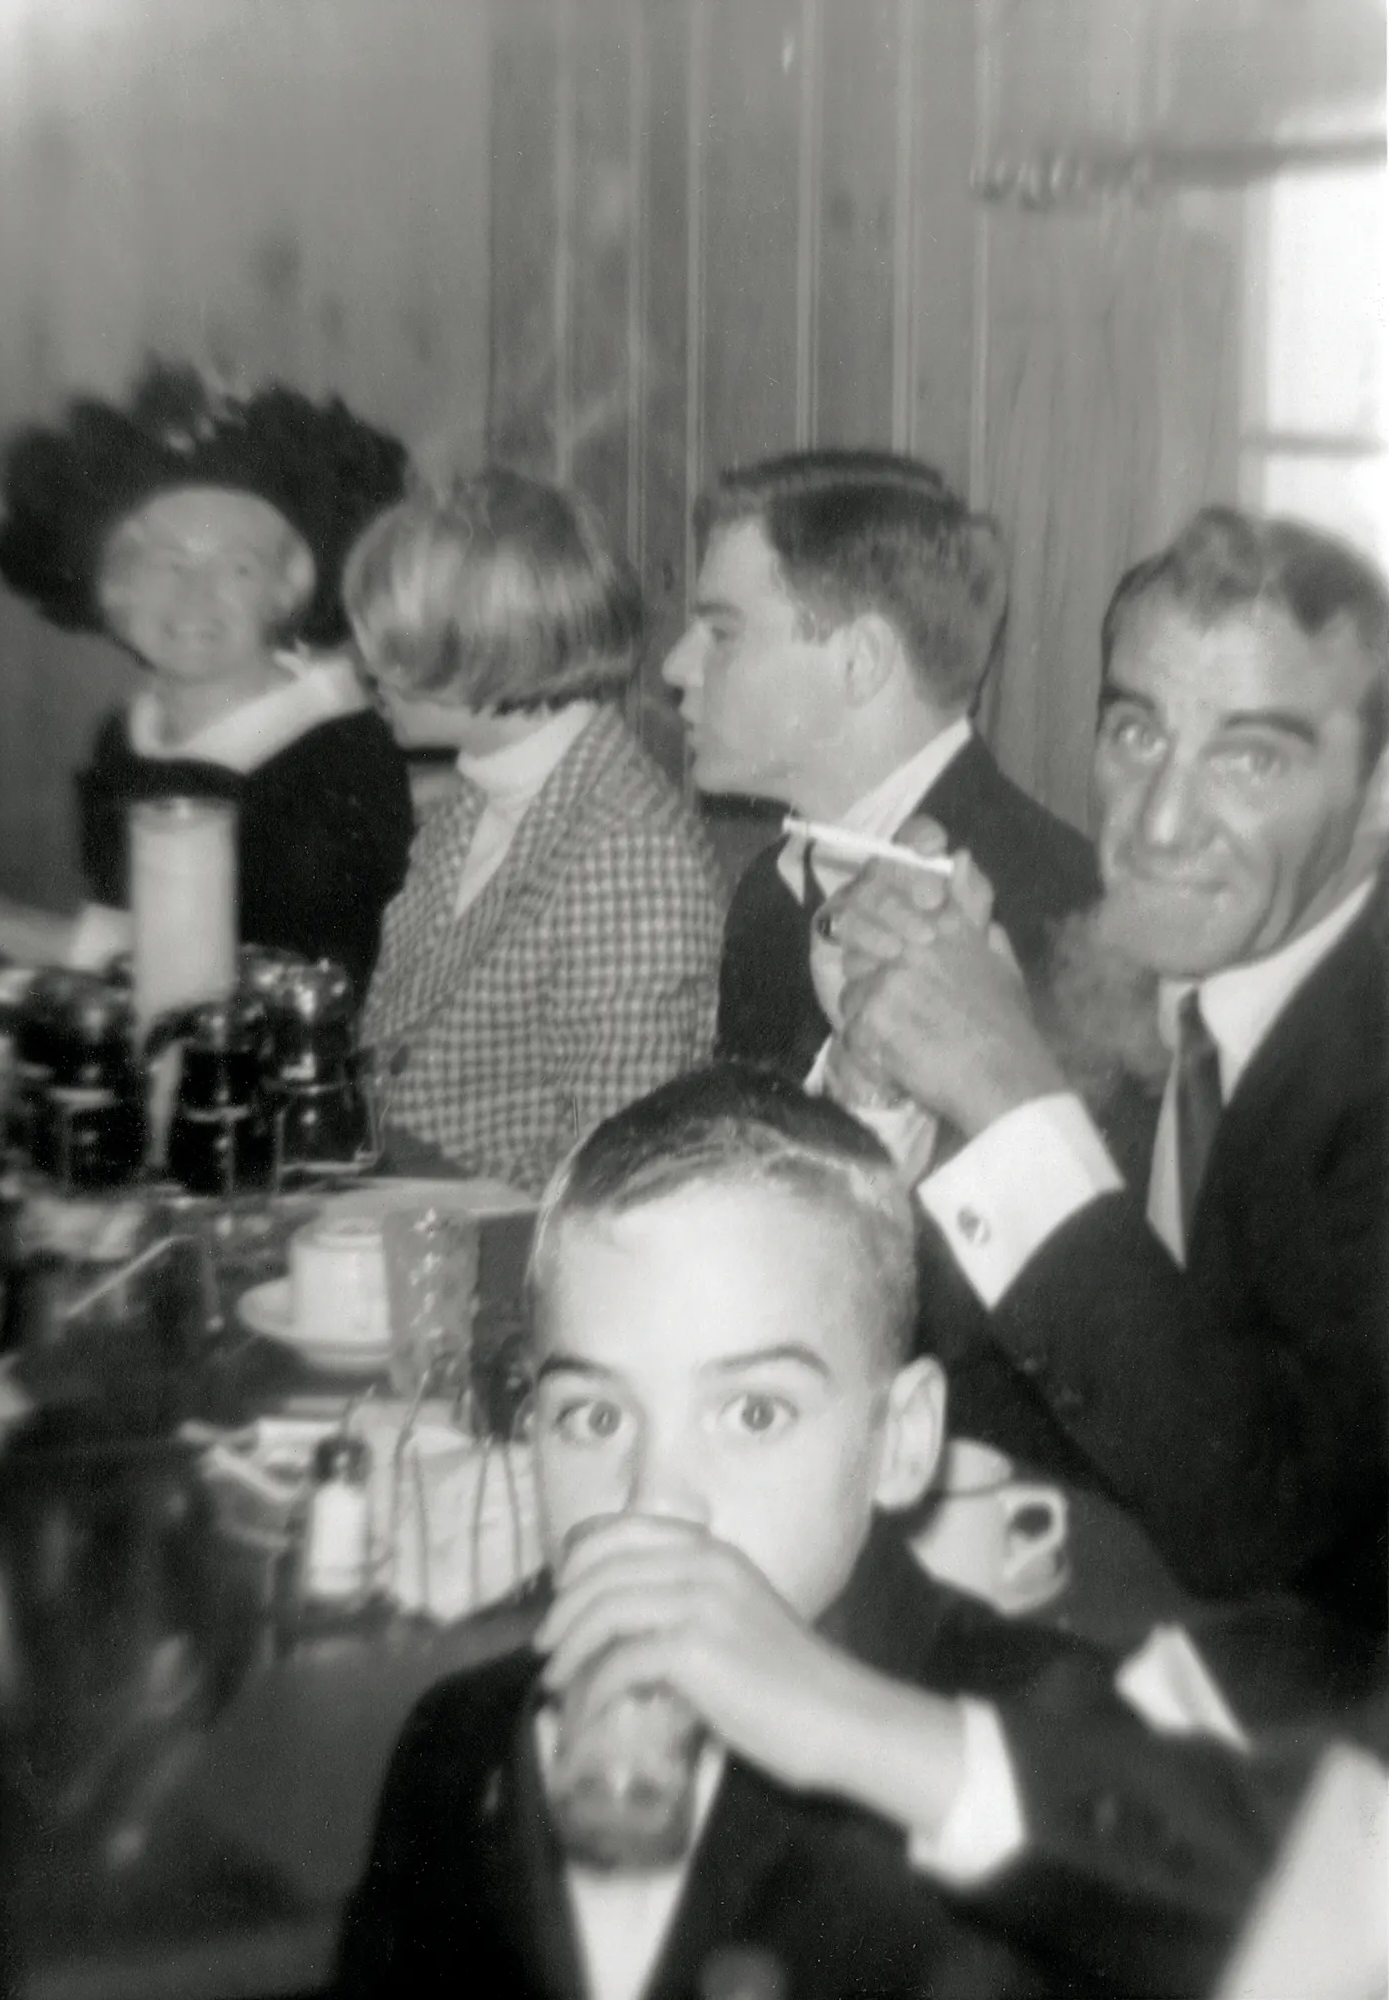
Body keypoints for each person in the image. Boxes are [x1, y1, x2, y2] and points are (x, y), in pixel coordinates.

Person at [336, 1064, 1286, 2000]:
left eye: (753, 1413)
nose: (653, 1501)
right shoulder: (459, 1741)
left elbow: (1298, 1914)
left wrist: (852, 1729)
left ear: (902, 1441)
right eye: (593, 1416)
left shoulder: (1023, 1715)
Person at [830, 507, 1389, 1638]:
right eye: (1136, 735)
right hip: (1097, 1657)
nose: (1160, 822)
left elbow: (1256, 1517)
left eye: (1248, 756)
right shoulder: (1107, 971)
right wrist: (889, 1070)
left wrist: (1008, 1099)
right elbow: (972, 1363)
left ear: (1377, 798)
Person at [661, 450, 1098, 1082]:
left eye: (722, 633)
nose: (677, 666)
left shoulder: (1046, 917)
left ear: (861, 660)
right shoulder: (772, 889)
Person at [345, 469, 724, 1195]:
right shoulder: (485, 790)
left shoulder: (625, 851)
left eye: (391, 647)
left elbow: (609, 1167)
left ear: (493, 649)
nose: (364, 670)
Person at [0, 360, 414, 1000]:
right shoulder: (129, 735)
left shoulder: (334, 763)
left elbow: (290, 988)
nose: (197, 597)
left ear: (285, 594)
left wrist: (27, 933)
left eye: (238, 569)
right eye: (167, 563)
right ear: (119, 590)